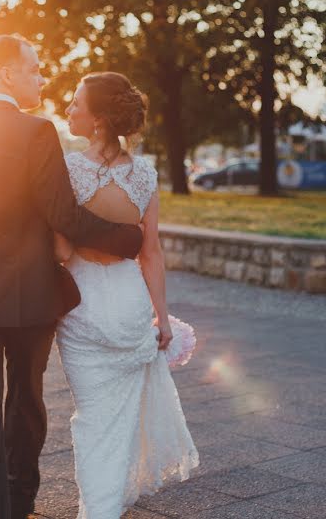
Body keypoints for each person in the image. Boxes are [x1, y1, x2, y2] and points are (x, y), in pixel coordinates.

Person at [0, 35, 144, 519]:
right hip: (27, 297)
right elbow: (63, 214)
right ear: (7, 74)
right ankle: (19, 500)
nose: (41, 78)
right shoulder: (36, 133)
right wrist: (127, 238)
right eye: (34, 69)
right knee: (24, 401)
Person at [55, 72, 199, 518]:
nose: (68, 109)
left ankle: (97, 509)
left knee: (94, 417)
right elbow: (151, 253)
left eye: (76, 103)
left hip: (83, 307)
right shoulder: (145, 175)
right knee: (119, 420)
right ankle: (105, 505)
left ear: (98, 119)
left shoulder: (69, 169)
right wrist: (161, 317)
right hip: (131, 305)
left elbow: (60, 250)